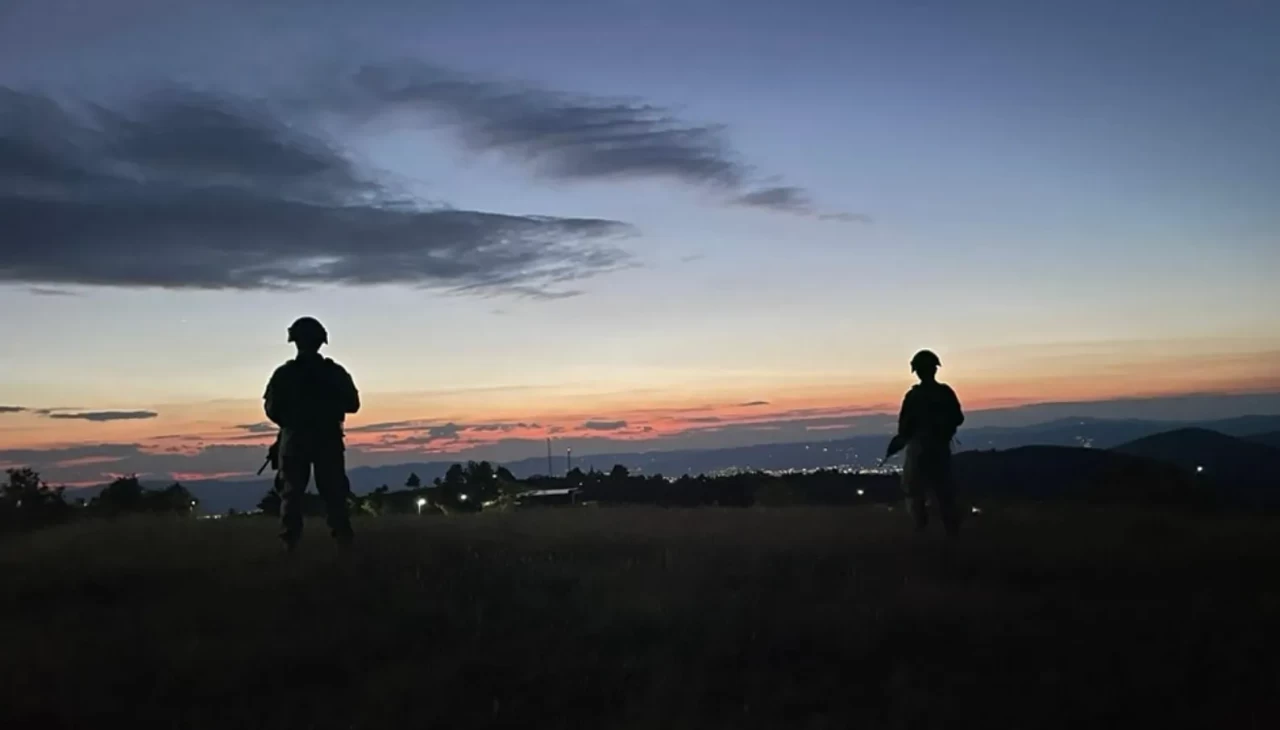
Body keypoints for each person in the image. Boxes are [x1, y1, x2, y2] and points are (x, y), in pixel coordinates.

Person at [263, 316, 360, 550]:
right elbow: (353, 404)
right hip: (327, 439)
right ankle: (343, 541)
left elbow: (272, 409)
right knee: (334, 492)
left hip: (295, 439)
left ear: (295, 341)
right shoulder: (334, 372)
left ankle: (290, 544)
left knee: (291, 494)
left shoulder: (284, 374)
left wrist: (293, 421)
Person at [884, 349, 965, 536]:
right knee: (944, 493)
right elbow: (958, 418)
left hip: (919, 450)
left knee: (914, 491)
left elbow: (904, 428)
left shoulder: (914, 396)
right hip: (940, 449)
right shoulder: (945, 393)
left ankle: (921, 530)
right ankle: (951, 532)